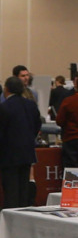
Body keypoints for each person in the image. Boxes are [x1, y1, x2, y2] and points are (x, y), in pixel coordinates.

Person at [0, 76, 41, 208]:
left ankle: (11, 218)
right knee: (24, 189)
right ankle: (22, 215)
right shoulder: (31, 105)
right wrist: (29, 138)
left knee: (11, 191)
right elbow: (37, 125)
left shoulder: (4, 107)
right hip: (27, 152)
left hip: (9, 154)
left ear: (6, 89)